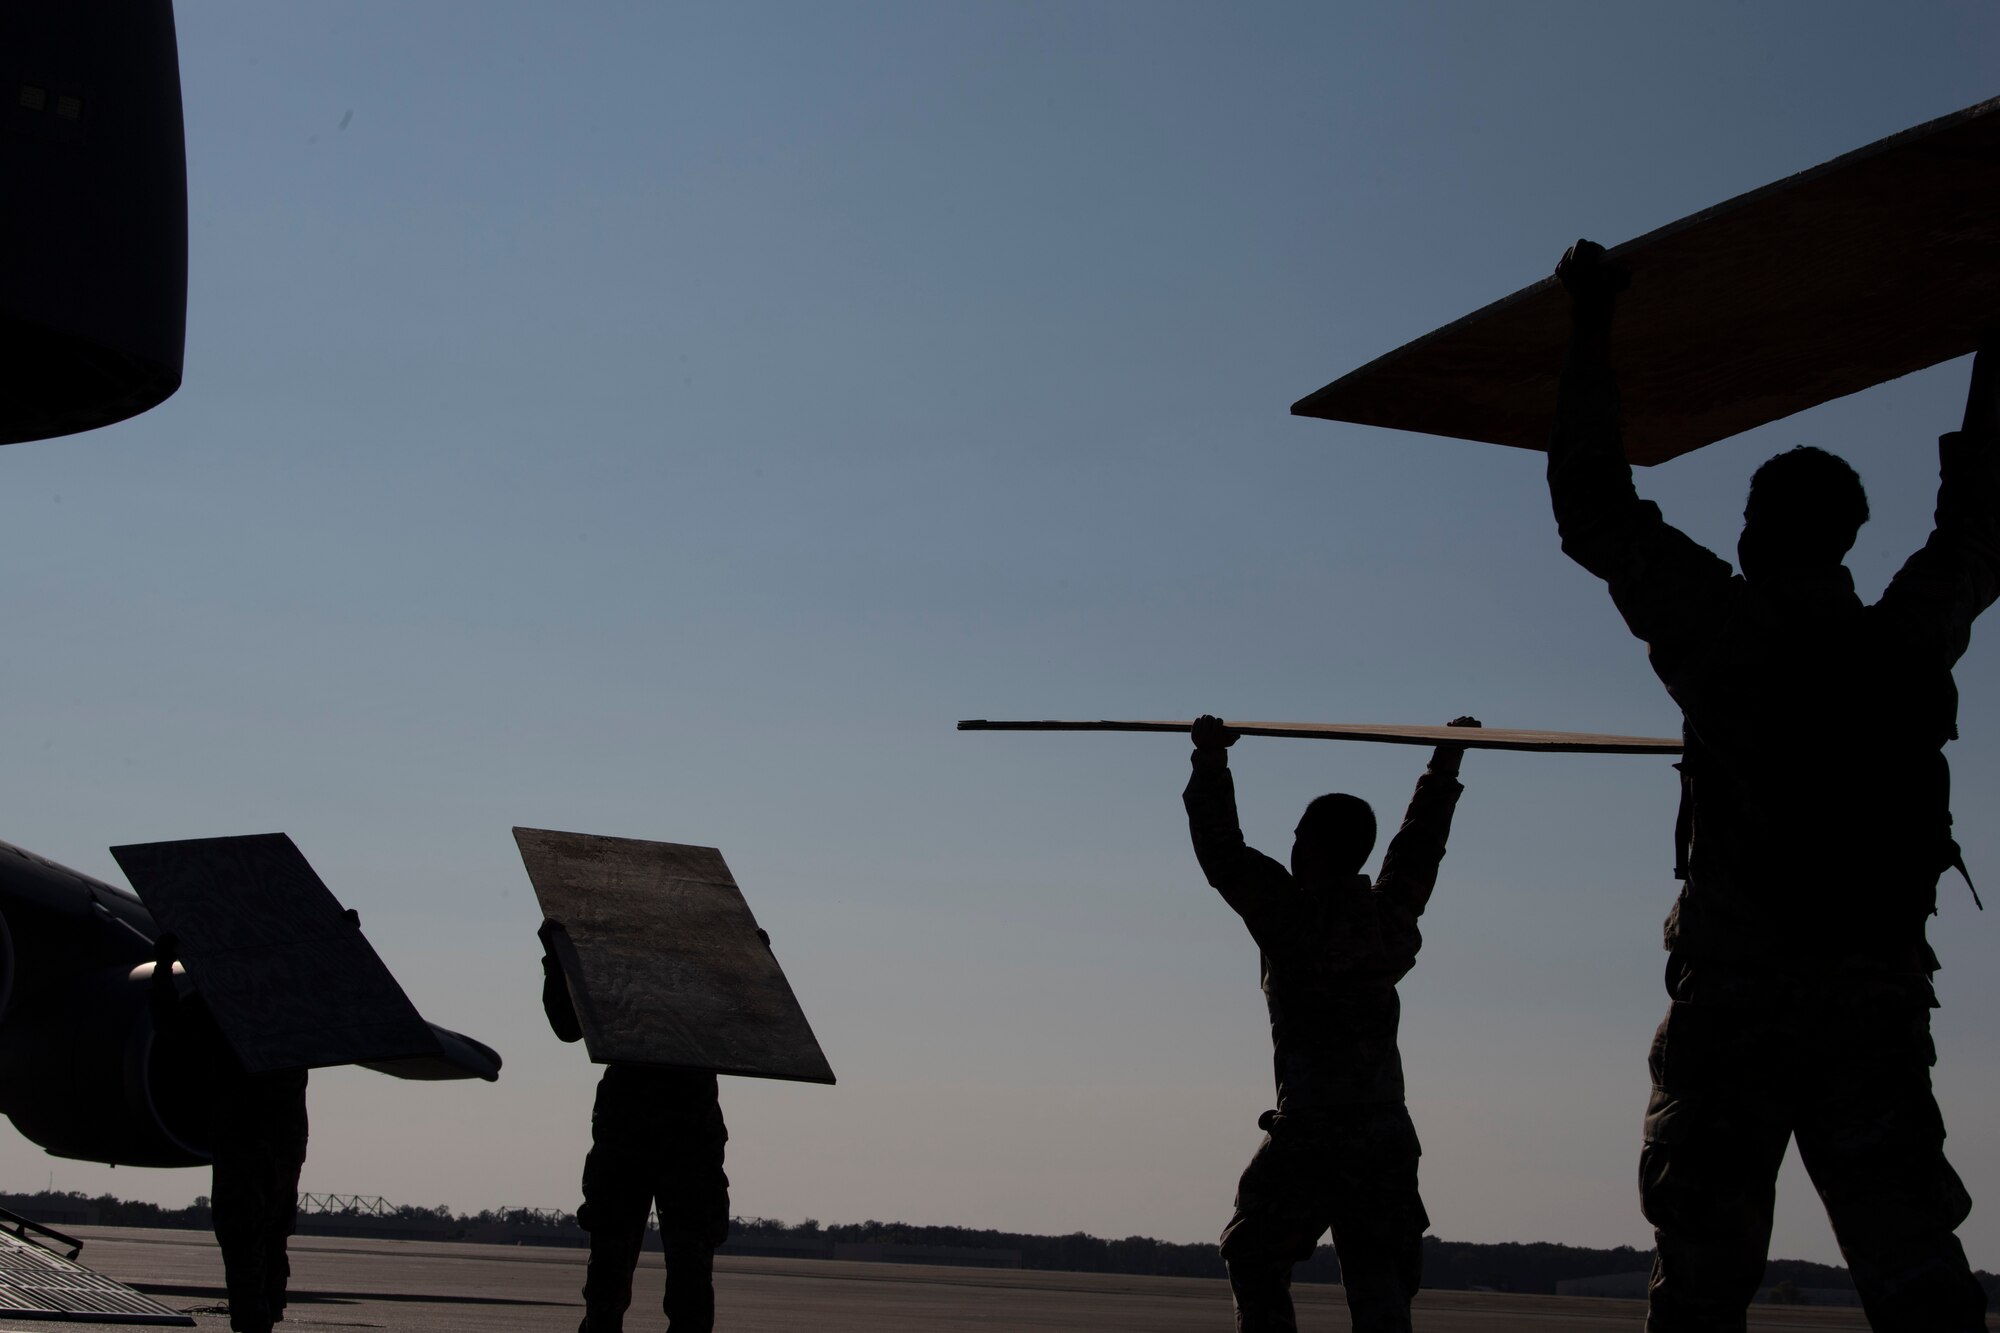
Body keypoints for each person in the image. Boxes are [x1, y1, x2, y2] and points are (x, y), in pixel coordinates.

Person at [1548, 239, 1998, 1332]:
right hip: (1870, 1011)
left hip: (1737, 1012)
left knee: (1700, 1287)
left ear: (1751, 532)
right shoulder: (1903, 644)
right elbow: (1981, 520)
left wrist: (1587, 318)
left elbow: (1595, 513)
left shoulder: (1723, 636)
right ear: (1849, 534)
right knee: (1914, 1278)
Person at [1184, 713, 1478, 1333]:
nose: (1290, 848)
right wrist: (1444, 765)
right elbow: (1418, 846)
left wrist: (1211, 760)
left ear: (1315, 849)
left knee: (1253, 1255)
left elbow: (1221, 851)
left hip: (1315, 1133)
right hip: (1383, 1136)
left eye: (1298, 838)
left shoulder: (1291, 919)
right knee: (1380, 1287)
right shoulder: (1387, 920)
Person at [540, 920, 731, 1333]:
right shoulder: (617, 956)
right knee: (611, 1279)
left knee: (689, 1284)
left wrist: (749, 966)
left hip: (679, 1133)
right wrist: (557, 960)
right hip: (641, 1130)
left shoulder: (702, 962)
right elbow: (567, 1025)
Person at [150, 934, 310, 1333]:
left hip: (245, 1138)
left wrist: (163, 968)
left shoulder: (230, 1006)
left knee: (245, 1231)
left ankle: (255, 1312)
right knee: (271, 1231)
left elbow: (170, 1024)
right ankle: (265, 1307)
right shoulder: (294, 1007)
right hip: (281, 1140)